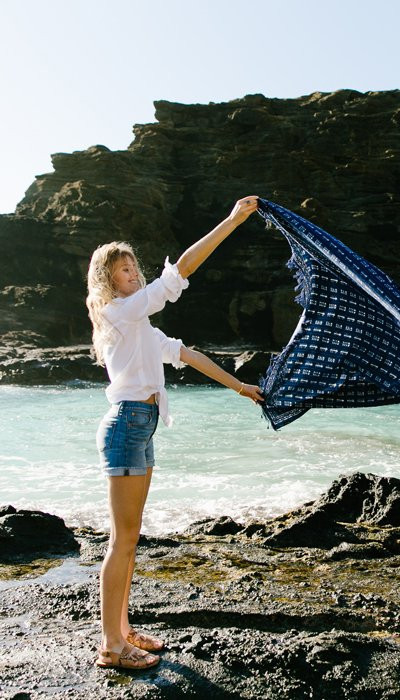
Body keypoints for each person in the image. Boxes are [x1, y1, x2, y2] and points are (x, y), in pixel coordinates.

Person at [86, 195, 263, 670]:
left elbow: (189, 355)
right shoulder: (118, 314)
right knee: (121, 540)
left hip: (139, 428)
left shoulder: (139, 326)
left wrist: (241, 386)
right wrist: (231, 220)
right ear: (108, 281)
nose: (135, 275)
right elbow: (181, 271)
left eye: (134, 268)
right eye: (125, 272)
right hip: (125, 426)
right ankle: (110, 646)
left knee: (131, 536)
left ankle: (122, 630)